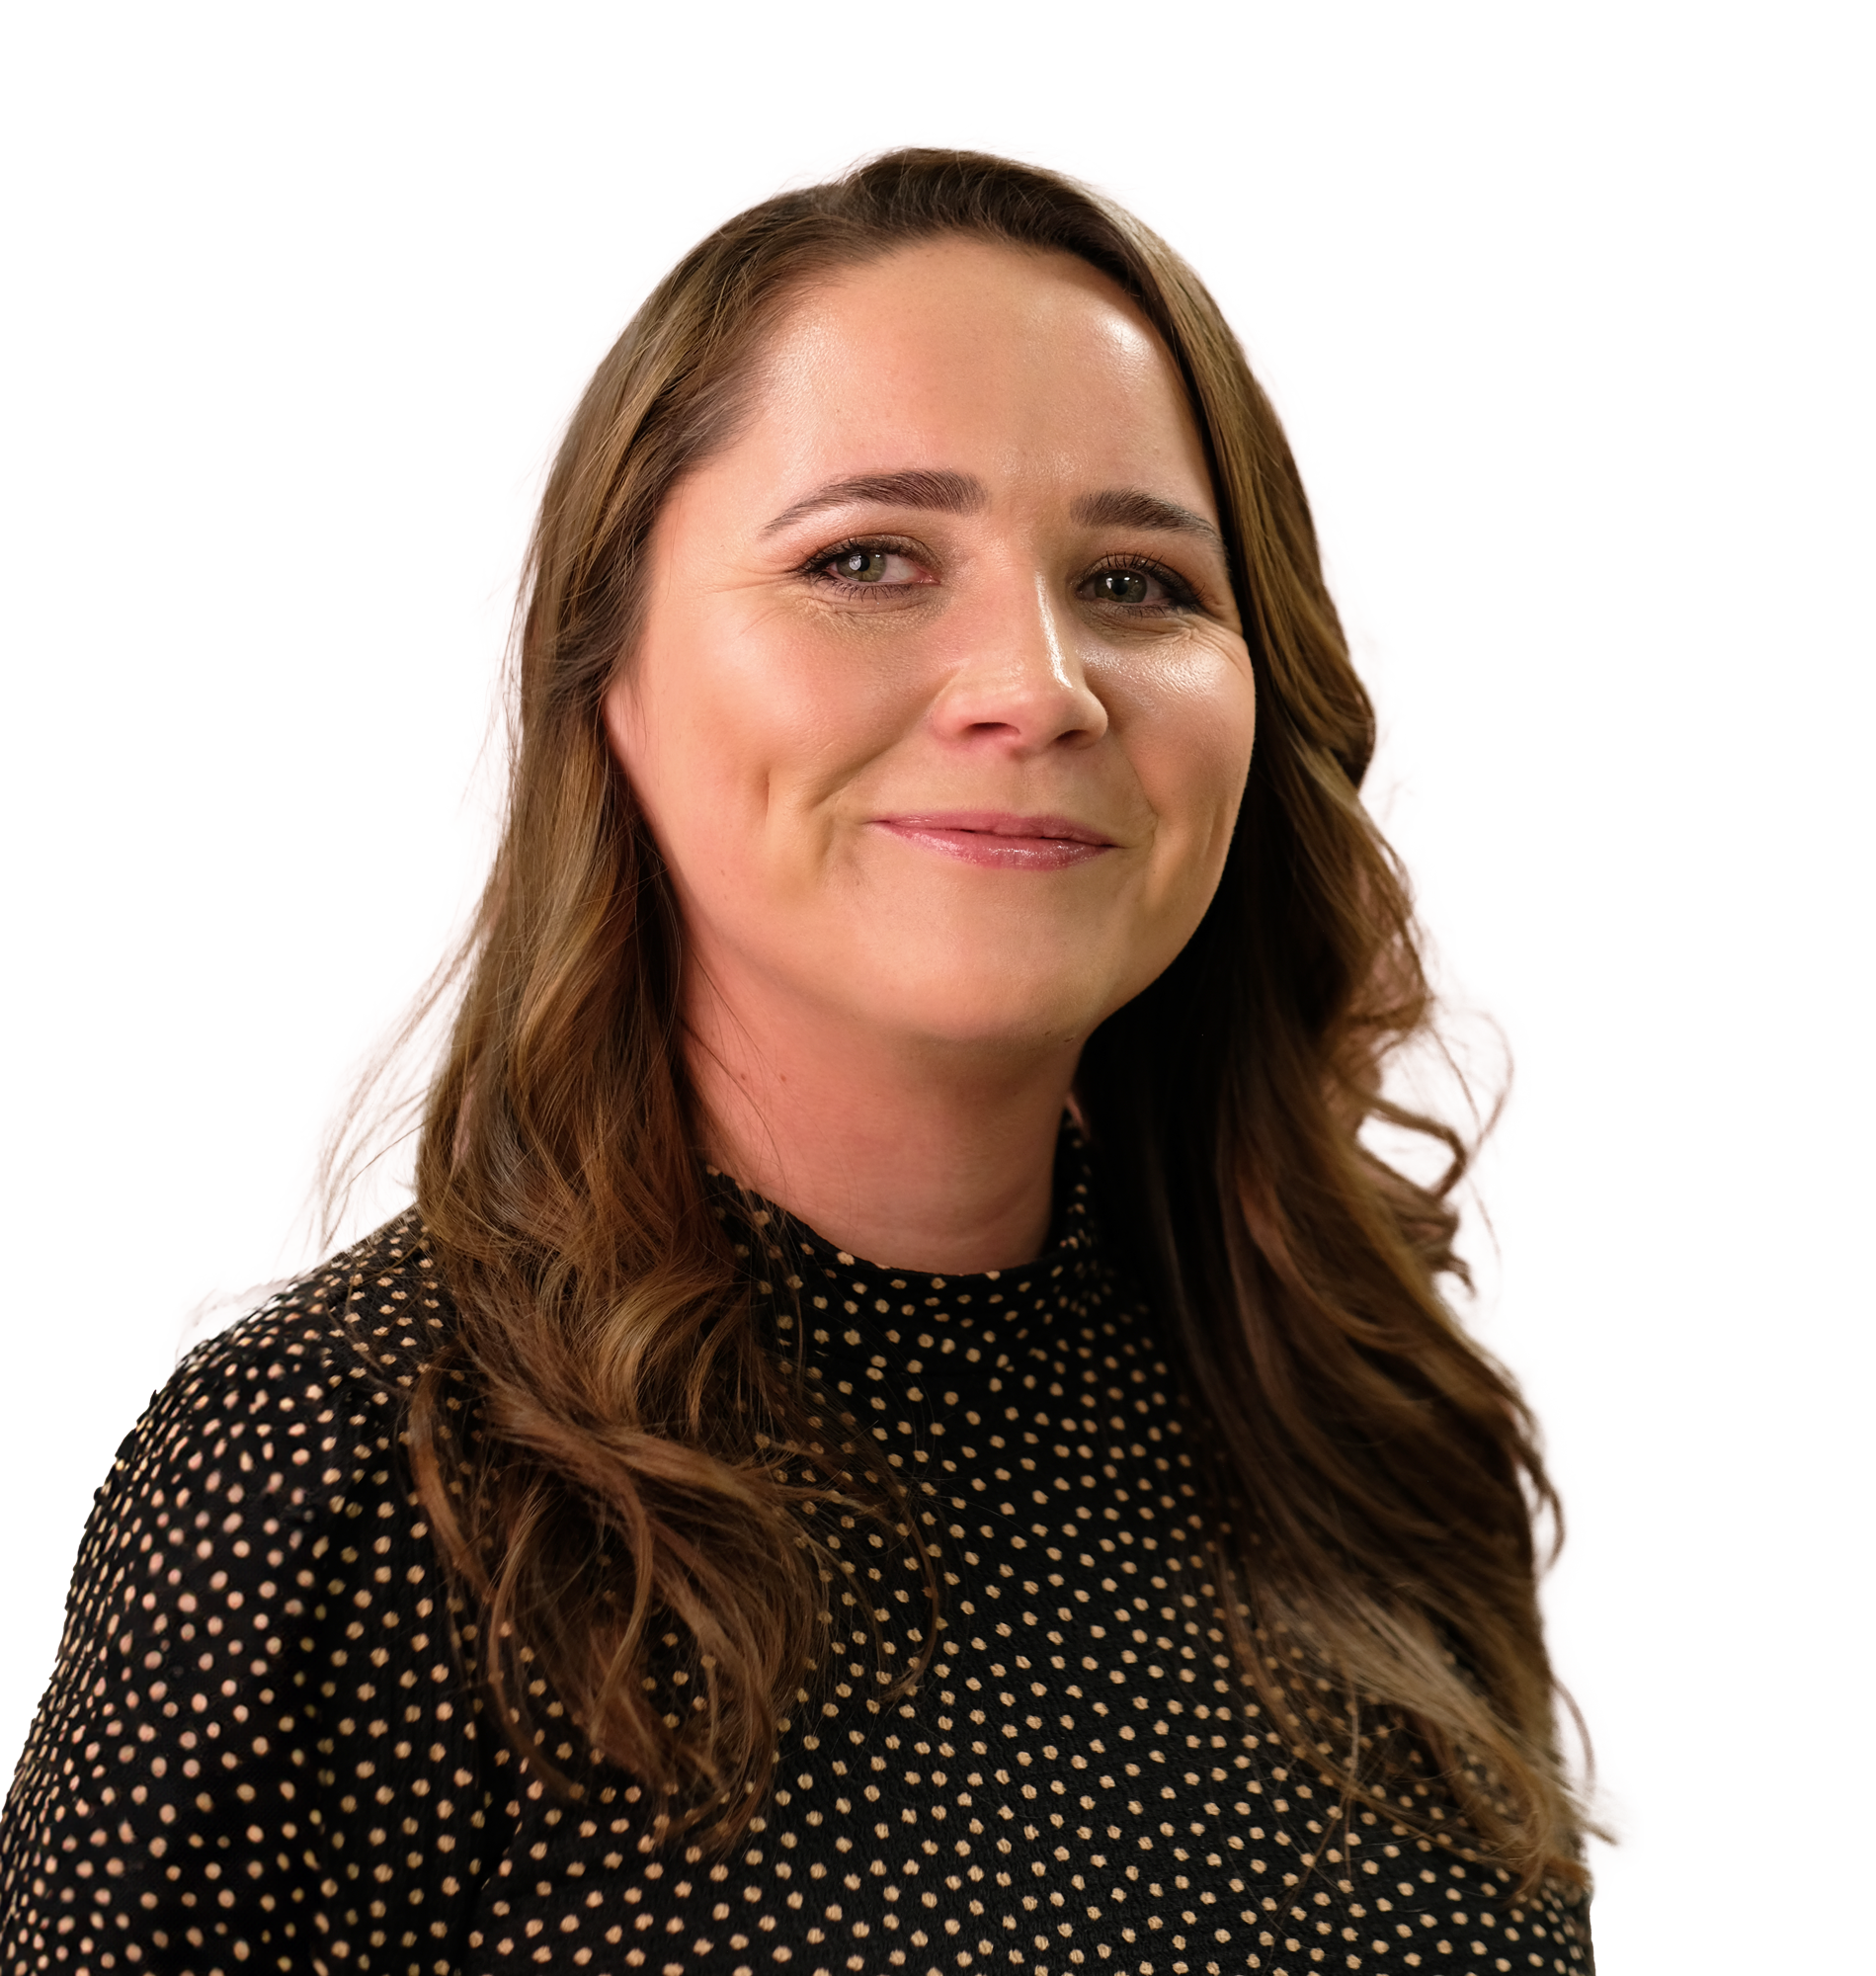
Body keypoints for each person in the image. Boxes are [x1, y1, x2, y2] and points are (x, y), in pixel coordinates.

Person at [0, 147, 1596, 1975]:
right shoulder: (339, 1475)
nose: (1038, 685)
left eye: (1138, 581)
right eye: (864, 560)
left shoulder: (1371, 1427)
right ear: (609, 681)